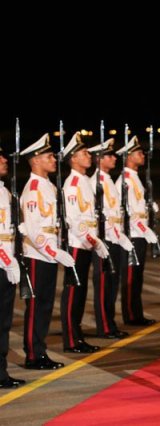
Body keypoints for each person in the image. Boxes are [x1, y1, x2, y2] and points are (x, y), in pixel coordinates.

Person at [20, 134, 74, 369]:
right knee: (36, 305)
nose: (54, 159)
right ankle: (33, 354)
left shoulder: (49, 185)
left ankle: (39, 351)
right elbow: (32, 229)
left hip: (49, 252)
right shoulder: (33, 188)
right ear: (35, 161)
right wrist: (53, 252)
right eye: (49, 156)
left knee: (45, 305)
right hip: (37, 254)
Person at [60, 132, 110, 353]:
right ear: (73, 158)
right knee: (73, 292)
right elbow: (74, 220)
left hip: (86, 244)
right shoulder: (72, 184)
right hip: (77, 244)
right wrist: (93, 240)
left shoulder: (84, 181)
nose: (89, 156)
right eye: (83, 153)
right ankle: (71, 340)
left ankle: (78, 336)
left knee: (80, 292)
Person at [88, 139, 133, 339]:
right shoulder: (95, 182)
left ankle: (110, 323)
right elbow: (99, 215)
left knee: (112, 283)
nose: (114, 158)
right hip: (104, 239)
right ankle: (104, 326)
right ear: (99, 159)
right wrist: (114, 234)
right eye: (109, 155)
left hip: (114, 238)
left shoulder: (107, 180)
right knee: (104, 284)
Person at [115, 136, 158, 326]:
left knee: (137, 275)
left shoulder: (134, 178)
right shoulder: (125, 180)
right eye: (139, 153)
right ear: (128, 157)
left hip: (140, 233)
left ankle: (136, 312)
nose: (143, 156)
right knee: (131, 276)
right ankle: (131, 315)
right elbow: (128, 213)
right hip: (132, 234)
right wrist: (144, 228)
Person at [0, 146, 25, 387]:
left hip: (7, 260)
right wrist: (6, 261)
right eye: (0, 158)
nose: (5, 160)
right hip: (2, 262)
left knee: (4, 321)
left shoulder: (5, 191)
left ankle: (1, 371)